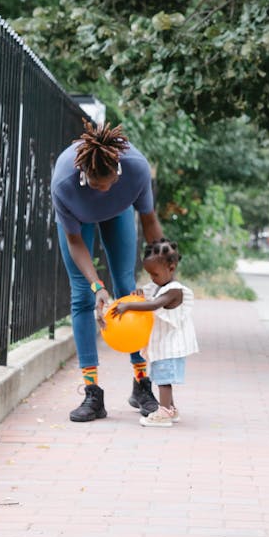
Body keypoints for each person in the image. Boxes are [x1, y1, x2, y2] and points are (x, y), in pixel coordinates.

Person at [51, 120, 164, 423]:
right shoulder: (64, 183)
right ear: (83, 174)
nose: (103, 189)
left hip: (119, 214)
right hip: (77, 220)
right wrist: (97, 286)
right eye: (95, 184)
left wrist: (164, 275)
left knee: (128, 290)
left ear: (118, 170)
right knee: (82, 298)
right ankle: (92, 394)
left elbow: (150, 220)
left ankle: (141, 384)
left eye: (109, 182)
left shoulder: (136, 169)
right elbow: (75, 242)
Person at [114, 238, 198, 427]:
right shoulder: (158, 285)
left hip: (171, 345)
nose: (152, 278)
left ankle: (164, 413)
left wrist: (129, 306)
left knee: (163, 379)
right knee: (162, 376)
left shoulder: (174, 290)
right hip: (163, 344)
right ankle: (171, 409)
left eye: (155, 274)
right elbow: (146, 294)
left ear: (171, 267)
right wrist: (138, 294)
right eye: (149, 274)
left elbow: (154, 304)